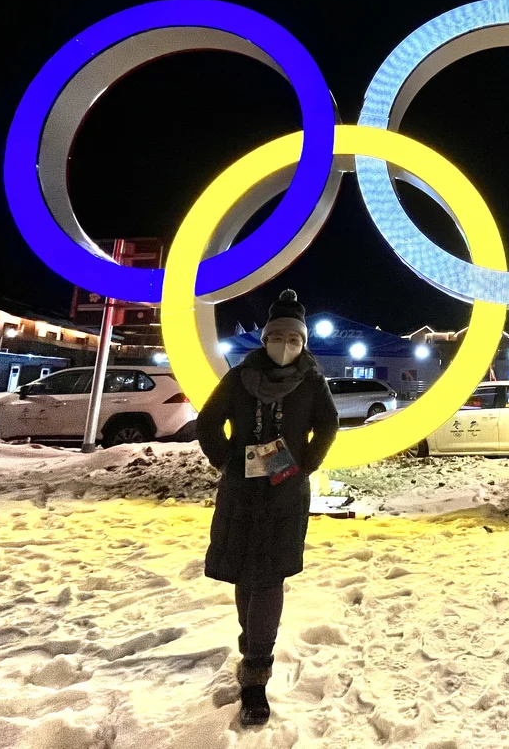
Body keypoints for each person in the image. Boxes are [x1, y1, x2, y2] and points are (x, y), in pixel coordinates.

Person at [196, 289, 339, 727]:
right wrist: (225, 461)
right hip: (241, 494)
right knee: (244, 572)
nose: (284, 345)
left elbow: (327, 425)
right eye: (276, 336)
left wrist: (301, 467)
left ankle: (256, 674)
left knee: (269, 576)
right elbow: (208, 421)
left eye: (293, 339)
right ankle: (251, 645)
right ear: (264, 338)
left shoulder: (312, 381)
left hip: (284, 495)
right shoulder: (240, 377)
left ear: (303, 342)